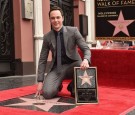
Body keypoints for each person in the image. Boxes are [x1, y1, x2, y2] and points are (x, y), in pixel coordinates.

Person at [35, 6, 91, 99]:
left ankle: (72, 86)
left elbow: (86, 49)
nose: (55, 20)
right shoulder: (47, 37)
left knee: (83, 68)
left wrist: (85, 60)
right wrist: (40, 81)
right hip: (57, 68)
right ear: (50, 20)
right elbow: (42, 59)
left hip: (74, 65)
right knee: (47, 94)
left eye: (58, 17)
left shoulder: (73, 31)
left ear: (62, 18)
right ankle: (58, 85)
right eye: (52, 18)